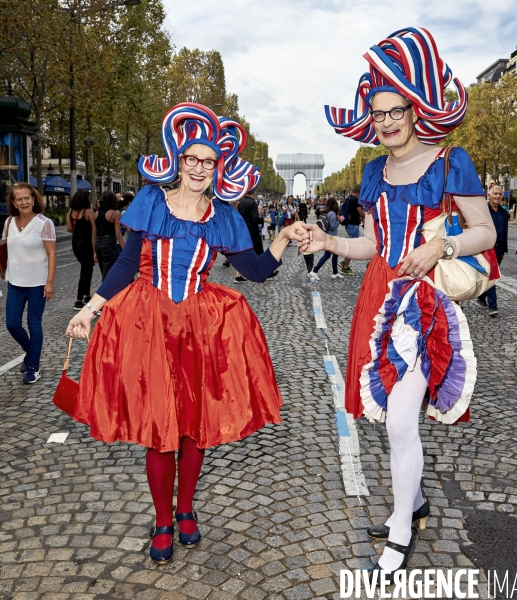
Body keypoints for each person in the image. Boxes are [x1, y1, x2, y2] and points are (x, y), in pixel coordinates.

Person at [62, 103, 306, 565]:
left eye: (207, 161)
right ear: (179, 160)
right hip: (149, 322)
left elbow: (253, 271)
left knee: (193, 425)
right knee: (160, 428)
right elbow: (128, 266)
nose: (198, 168)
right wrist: (92, 309)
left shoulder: (225, 217)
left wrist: (283, 238)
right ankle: (161, 519)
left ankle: (187, 508)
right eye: (191, 159)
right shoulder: (152, 201)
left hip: (201, 328)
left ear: (219, 168)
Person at [301, 27, 496, 584]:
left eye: (396, 111)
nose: (386, 122)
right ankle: (412, 502)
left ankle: (401, 529)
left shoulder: (451, 162)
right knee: (389, 412)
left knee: (401, 420)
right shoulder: (371, 172)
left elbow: (485, 233)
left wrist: (442, 244)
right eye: (378, 112)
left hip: (425, 301)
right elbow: (371, 246)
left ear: (416, 110)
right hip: (377, 299)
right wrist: (330, 243)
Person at [2, 183, 56, 383]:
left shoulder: (44, 223)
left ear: (34, 200)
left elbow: (51, 254)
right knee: (12, 324)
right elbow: (5, 248)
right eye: (19, 199)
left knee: (34, 323)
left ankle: (33, 366)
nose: (24, 202)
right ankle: (31, 354)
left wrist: (49, 282)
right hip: (15, 282)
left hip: (37, 283)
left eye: (27, 198)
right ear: (14, 202)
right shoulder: (9, 222)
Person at [476, 186, 508, 317]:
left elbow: (505, 231)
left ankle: (481, 297)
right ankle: (493, 306)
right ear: (489, 195)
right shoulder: (483, 211)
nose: (497, 196)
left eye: (500, 194)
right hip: (487, 247)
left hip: (499, 248)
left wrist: (504, 249)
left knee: (490, 275)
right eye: (495, 194)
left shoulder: (504, 212)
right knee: (492, 275)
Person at [237, 187, 278, 279]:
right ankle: (267, 272)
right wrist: (265, 219)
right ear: (254, 192)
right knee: (260, 251)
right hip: (252, 230)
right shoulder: (253, 203)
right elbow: (255, 219)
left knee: (245, 252)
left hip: (243, 230)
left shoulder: (241, 202)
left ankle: (240, 275)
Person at [67, 190, 97, 310]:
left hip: (76, 242)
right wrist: (95, 248)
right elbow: (94, 230)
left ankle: (87, 295)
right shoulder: (88, 212)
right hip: (87, 242)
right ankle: (78, 300)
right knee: (85, 271)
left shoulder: (70, 212)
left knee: (87, 268)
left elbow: (69, 228)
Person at [309, 197, 343, 280]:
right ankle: (314, 271)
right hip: (331, 237)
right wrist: (339, 220)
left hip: (329, 236)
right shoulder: (332, 214)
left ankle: (335, 272)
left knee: (335, 254)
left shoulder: (327, 213)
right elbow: (333, 226)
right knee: (327, 255)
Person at [94, 190, 125, 280]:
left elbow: (94, 233)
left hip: (98, 242)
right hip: (109, 242)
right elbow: (118, 234)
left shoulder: (95, 213)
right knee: (109, 269)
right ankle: (105, 291)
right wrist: (124, 248)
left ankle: (105, 290)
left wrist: (94, 251)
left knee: (103, 268)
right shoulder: (115, 214)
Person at [340, 183, 364, 275]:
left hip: (349, 224)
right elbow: (360, 213)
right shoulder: (355, 199)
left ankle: (344, 262)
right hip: (353, 224)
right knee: (353, 246)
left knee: (352, 244)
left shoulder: (349, 198)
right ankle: (345, 267)